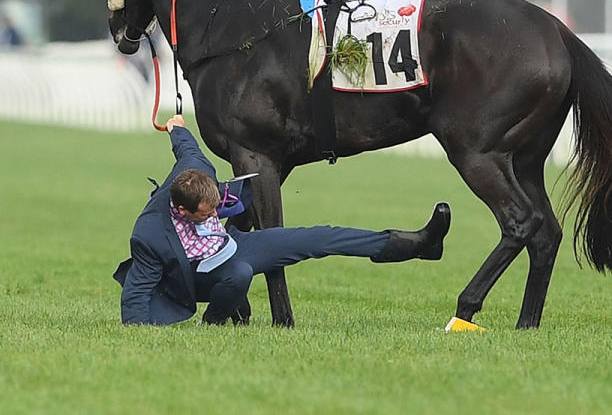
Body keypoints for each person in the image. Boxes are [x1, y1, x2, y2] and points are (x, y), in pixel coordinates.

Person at [113, 114, 451, 326]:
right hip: (200, 277)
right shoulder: (150, 235)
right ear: (183, 211)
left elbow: (188, 150)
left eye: (216, 206)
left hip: (235, 247)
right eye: (207, 212)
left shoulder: (199, 174)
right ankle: (212, 323)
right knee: (240, 274)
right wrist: (137, 330)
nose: (216, 214)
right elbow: (136, 293)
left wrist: (176, 127)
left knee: (319, 237)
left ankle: (417, 245)